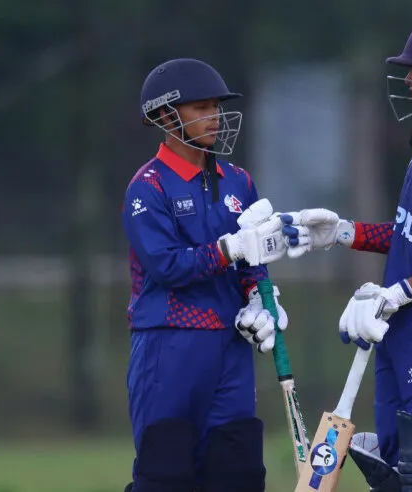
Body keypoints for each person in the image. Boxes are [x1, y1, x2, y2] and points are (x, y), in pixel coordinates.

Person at [280, 18, 412, 492]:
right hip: (404, 323)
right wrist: (342, 233)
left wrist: (398, 292)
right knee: (399, 472)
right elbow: (409, 237)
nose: (409, 79)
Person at [122, 57, 288, 492]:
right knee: (167, 474)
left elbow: (254, 258)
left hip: (230, 343)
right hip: (169, 342)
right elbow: (167, 265)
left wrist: (259, 294)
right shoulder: (148, 187)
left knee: (238, 474)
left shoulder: (238, 180)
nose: (214, 116)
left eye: (216, 106)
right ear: (166, 116)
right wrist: (228, 249)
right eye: (201, 107)